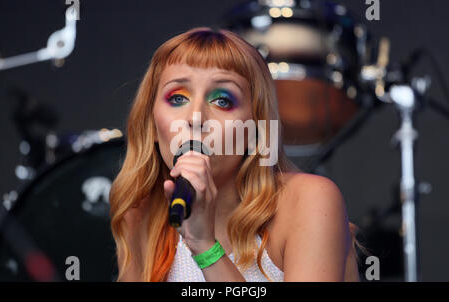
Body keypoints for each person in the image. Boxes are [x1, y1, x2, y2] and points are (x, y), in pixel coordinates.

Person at [109, 27, 363, 282]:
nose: (196, 118)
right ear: (152, 125)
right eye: (177, 98)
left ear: (255, 130)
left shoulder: (309, 200)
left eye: (222, 100)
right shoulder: (141, 213)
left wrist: (205, 247)